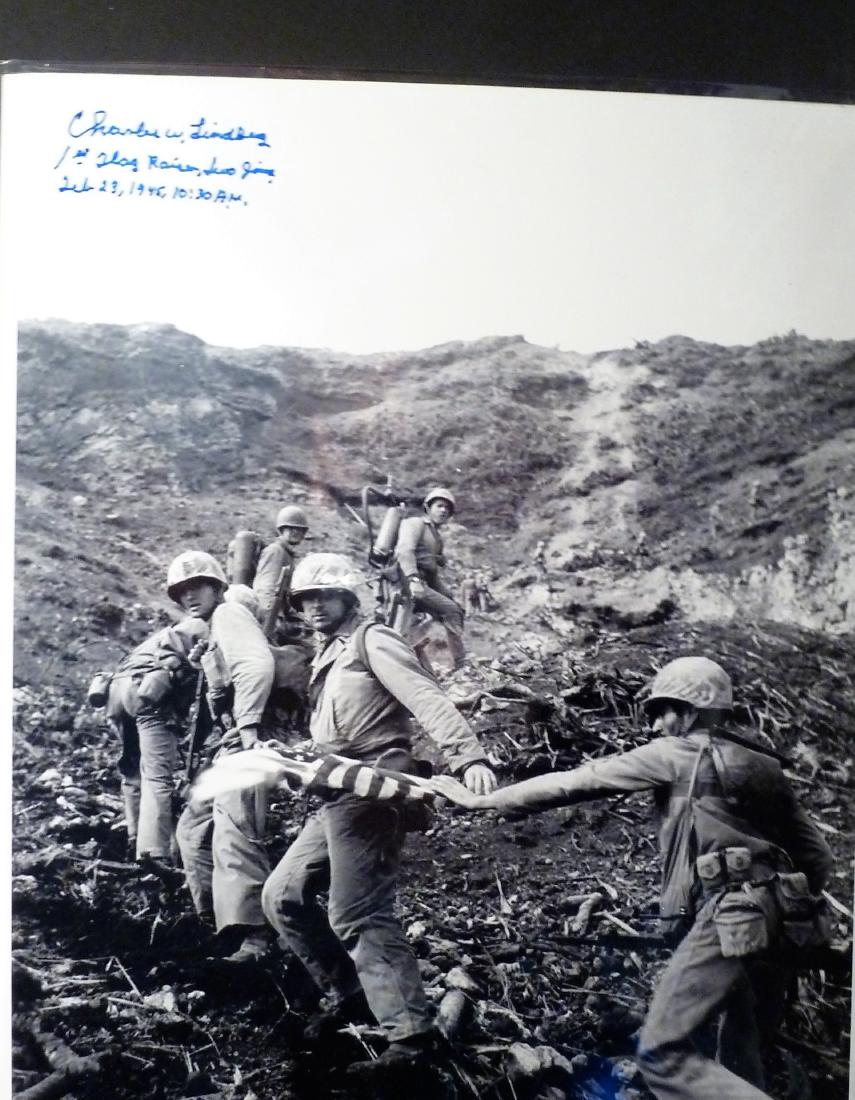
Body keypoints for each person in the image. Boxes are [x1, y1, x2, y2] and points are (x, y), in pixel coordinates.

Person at [432, 656, 833, 1100]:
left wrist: (484, 802)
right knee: (740, 1049)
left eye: (664, 711)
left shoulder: (676, 754)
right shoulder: (765, 766)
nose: (659, 724)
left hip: (730, 914)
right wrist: (780, 904)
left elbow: (578, 781)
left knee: (663, 1052)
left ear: (691, 710)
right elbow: (817, 858)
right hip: (786, 921)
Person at [261, 552, 497, 1072]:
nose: (313, 606)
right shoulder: (327, 654)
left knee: (358, 913)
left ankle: (412, 1037)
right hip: (334, 788)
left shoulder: (373, 639)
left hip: (375, 788)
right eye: (305, 599)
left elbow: (425, 695)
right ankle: (352, 995)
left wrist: (468, 755)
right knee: (283, 895)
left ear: (347, 597)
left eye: (324, 595)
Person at [166, 552, 282, 963]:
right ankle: (218, 923)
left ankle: (256, 936)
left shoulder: (231, 616)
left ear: (217, 587)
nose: (189, 595)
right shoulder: (212, 630)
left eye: (197, 586)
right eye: (181, 591)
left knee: (235, 830)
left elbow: (257, 665)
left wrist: (248, 727)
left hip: (248, 740)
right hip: (226, 744)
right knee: (192, 832)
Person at [105, 605, 211, 867]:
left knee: (133, 770)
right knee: (157, 776)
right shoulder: (206, 626)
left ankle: (135, 836)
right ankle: (154, 853)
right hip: (147, 694)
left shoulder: (175, 629)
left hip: (116, 691)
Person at [396, 486, 467, 669]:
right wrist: (413, 579)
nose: (443, 510)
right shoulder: (415, 524)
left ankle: (416, 661)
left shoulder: (436, 536)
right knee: (449, 610)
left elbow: (432, 571)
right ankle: (460, 663)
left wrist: (446, 594)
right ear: (428, 508)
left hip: (422, 582)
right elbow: (404, 551)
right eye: (439, 506)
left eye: (447, 508)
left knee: (454, 609)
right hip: (405, 582)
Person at [253, 505, 310, 633]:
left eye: (300, 529)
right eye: (291, 528)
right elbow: (266, 586)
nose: (296, 532)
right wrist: (272, 618)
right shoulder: (275, 551)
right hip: (271, 618)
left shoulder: (287, 554)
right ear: (281, 530)